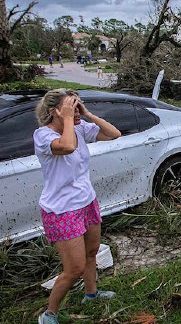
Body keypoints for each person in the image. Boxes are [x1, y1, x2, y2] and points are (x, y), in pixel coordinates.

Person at [34, 89, 121, 324]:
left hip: (86, 201)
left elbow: (114, 134)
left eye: (76, 105)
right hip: (62, 209)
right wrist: (68, 119)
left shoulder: (80, 127)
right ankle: (49, 314)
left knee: (92, 252)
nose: (75, 110)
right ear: (54, 112)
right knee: (74, 268)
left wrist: (87, 114)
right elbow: (67, 146)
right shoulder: (42, 136)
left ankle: (91, 295)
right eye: (70, 106)